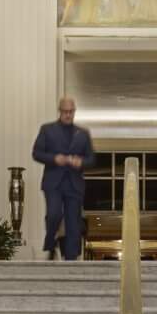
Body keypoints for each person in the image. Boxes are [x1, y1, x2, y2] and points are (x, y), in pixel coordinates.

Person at [31, 95, 94, 261]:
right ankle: (51, 242)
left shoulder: (83, 133)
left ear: (74, 112)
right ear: (60, 111)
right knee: (53, 214)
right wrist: (54, 158)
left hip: (74, 184)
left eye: (71, 112)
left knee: (73, 222)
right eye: (65, 111)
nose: (68, 115)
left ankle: (71, 258)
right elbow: (36, 153)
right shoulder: (47, 129)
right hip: (53, 183)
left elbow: (91, 159)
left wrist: (80, 162)